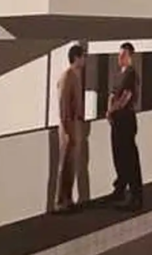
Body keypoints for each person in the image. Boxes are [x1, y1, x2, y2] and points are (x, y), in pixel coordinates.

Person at [107, 42, 143, 211]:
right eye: (119, 55)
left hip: (126, 119)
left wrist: (114, 109)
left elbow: (126, 96)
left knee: (129, 158)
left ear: (129, 56)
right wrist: (109, 110)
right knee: (118, 155)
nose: (119, 58)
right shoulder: (118, 74)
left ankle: (136, 196)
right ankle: (120, 189)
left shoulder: (131, 74)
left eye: (123, 55)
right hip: (117, 120)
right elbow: (113, 94)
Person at [53, 44, 85, 214]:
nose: (84, 60)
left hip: (74, 124)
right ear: (76, 58)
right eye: (83, 57)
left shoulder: (75, 76)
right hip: (68, 125)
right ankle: (60, 201)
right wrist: (68, 129)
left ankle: (68, 199)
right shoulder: (67, 77)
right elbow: (63, 104)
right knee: (65, 164)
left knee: (71, 164)